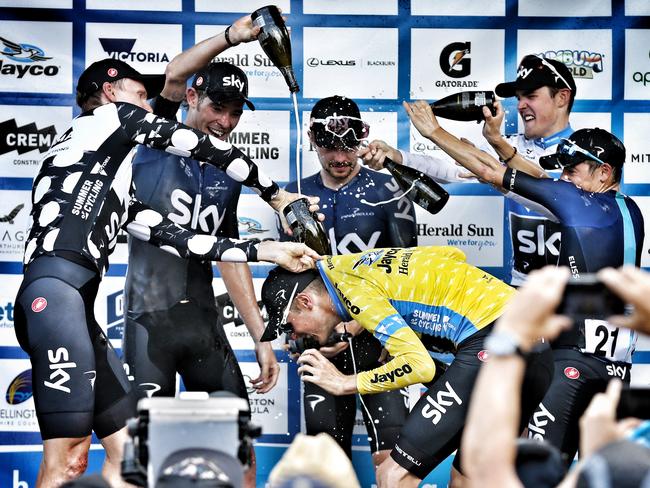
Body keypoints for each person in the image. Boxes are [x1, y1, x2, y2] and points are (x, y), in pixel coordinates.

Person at [13, 57, 320, 487]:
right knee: (67, 461)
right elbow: (196, 138)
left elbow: (184, 240)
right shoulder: (111, 118)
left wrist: (265, 249)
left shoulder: (106, 172)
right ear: (110, 92)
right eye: (142, 96)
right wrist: (276, 194)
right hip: (55, 294)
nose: (148, 107)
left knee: (126, 457)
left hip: (76, 306)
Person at [402, 100, 645, 465]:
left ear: (604, 172)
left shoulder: (575, 201)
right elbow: (544, 182)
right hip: (616, 369)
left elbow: (489, 171)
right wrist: (504, 145)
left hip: (571, 363)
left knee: (537, 473)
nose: (564, 177)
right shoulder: (629, 209)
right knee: (597, 474)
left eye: (573, 169)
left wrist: (433, 132)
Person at [260, 246, 554, 487]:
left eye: (289, 326)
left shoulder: (351, 289)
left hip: (496, 343)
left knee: (393, 476)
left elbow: (419, 366)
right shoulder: (353, 265)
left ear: (306, 301)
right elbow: (452, 256)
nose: (294, 336)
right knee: (469, 477)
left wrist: (344, 382)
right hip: (534, 346)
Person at [123, 16, 278, 416]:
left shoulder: (231, 171)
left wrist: (261, 337)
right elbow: (173, 75)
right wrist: (232, 37)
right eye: (217, 107)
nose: (225, 122)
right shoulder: (157, 137)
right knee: (144, 455)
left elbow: (231, 255)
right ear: (193, 98)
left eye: (235, 113)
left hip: (203, 325)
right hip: (149, 325)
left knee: (239, 442)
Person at [278, 95, 417, 467]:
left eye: (348, 147)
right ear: (311, 139)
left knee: (392, 459)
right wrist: (307, 335)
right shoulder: (294, 196)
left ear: (362, 139)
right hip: (323, 346)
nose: (340, 158)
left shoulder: (390, 192)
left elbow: (406, 273)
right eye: (328, 147)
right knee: (326, 459)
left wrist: (354, 327)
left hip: (378, 339)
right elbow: (293, 281)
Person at [359, 54, 577, 285]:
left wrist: (438, 132)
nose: (521, 106)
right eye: (519, 97)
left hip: (578, 289)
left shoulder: (589, 151)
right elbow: (449, 169)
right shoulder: (508, 144)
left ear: (562, 97)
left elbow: (552, 195)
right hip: (522, 288)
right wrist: (396, 156)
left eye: (531, 96)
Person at [462, 266, 650, 488]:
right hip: (607, 371)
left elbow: (487, 472)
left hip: (577, 366)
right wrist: (598, 460)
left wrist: (509, 336)